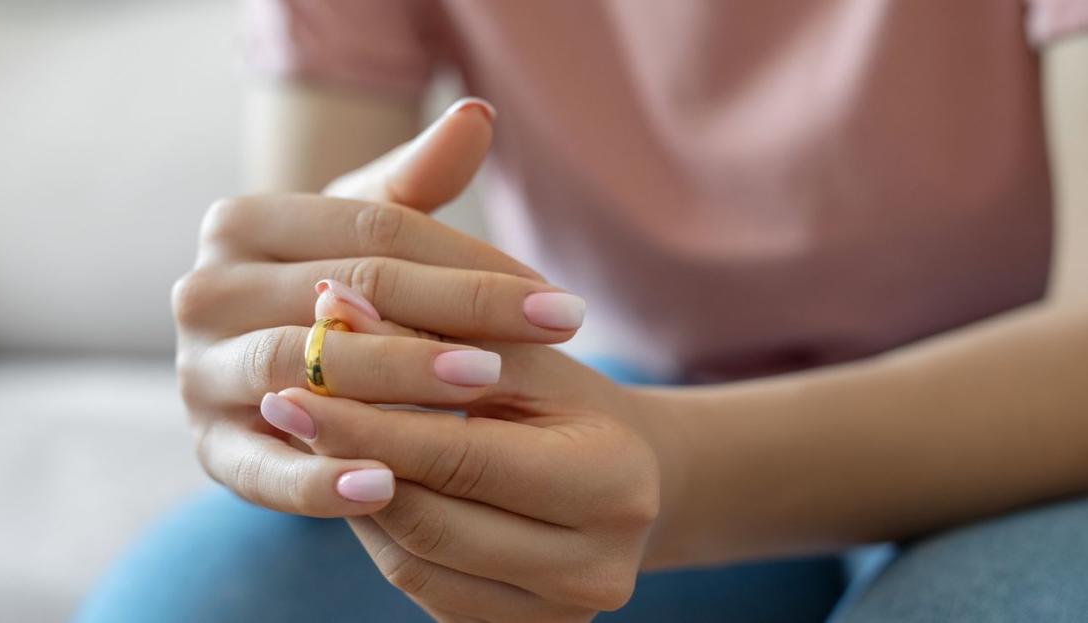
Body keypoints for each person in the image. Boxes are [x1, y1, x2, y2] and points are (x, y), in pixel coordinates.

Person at [77, 1, 1088, 621]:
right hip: (645, 402)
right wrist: (299, 363)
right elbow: (308, 263)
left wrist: (673, 466)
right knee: (207, 598)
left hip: (1027, 448)